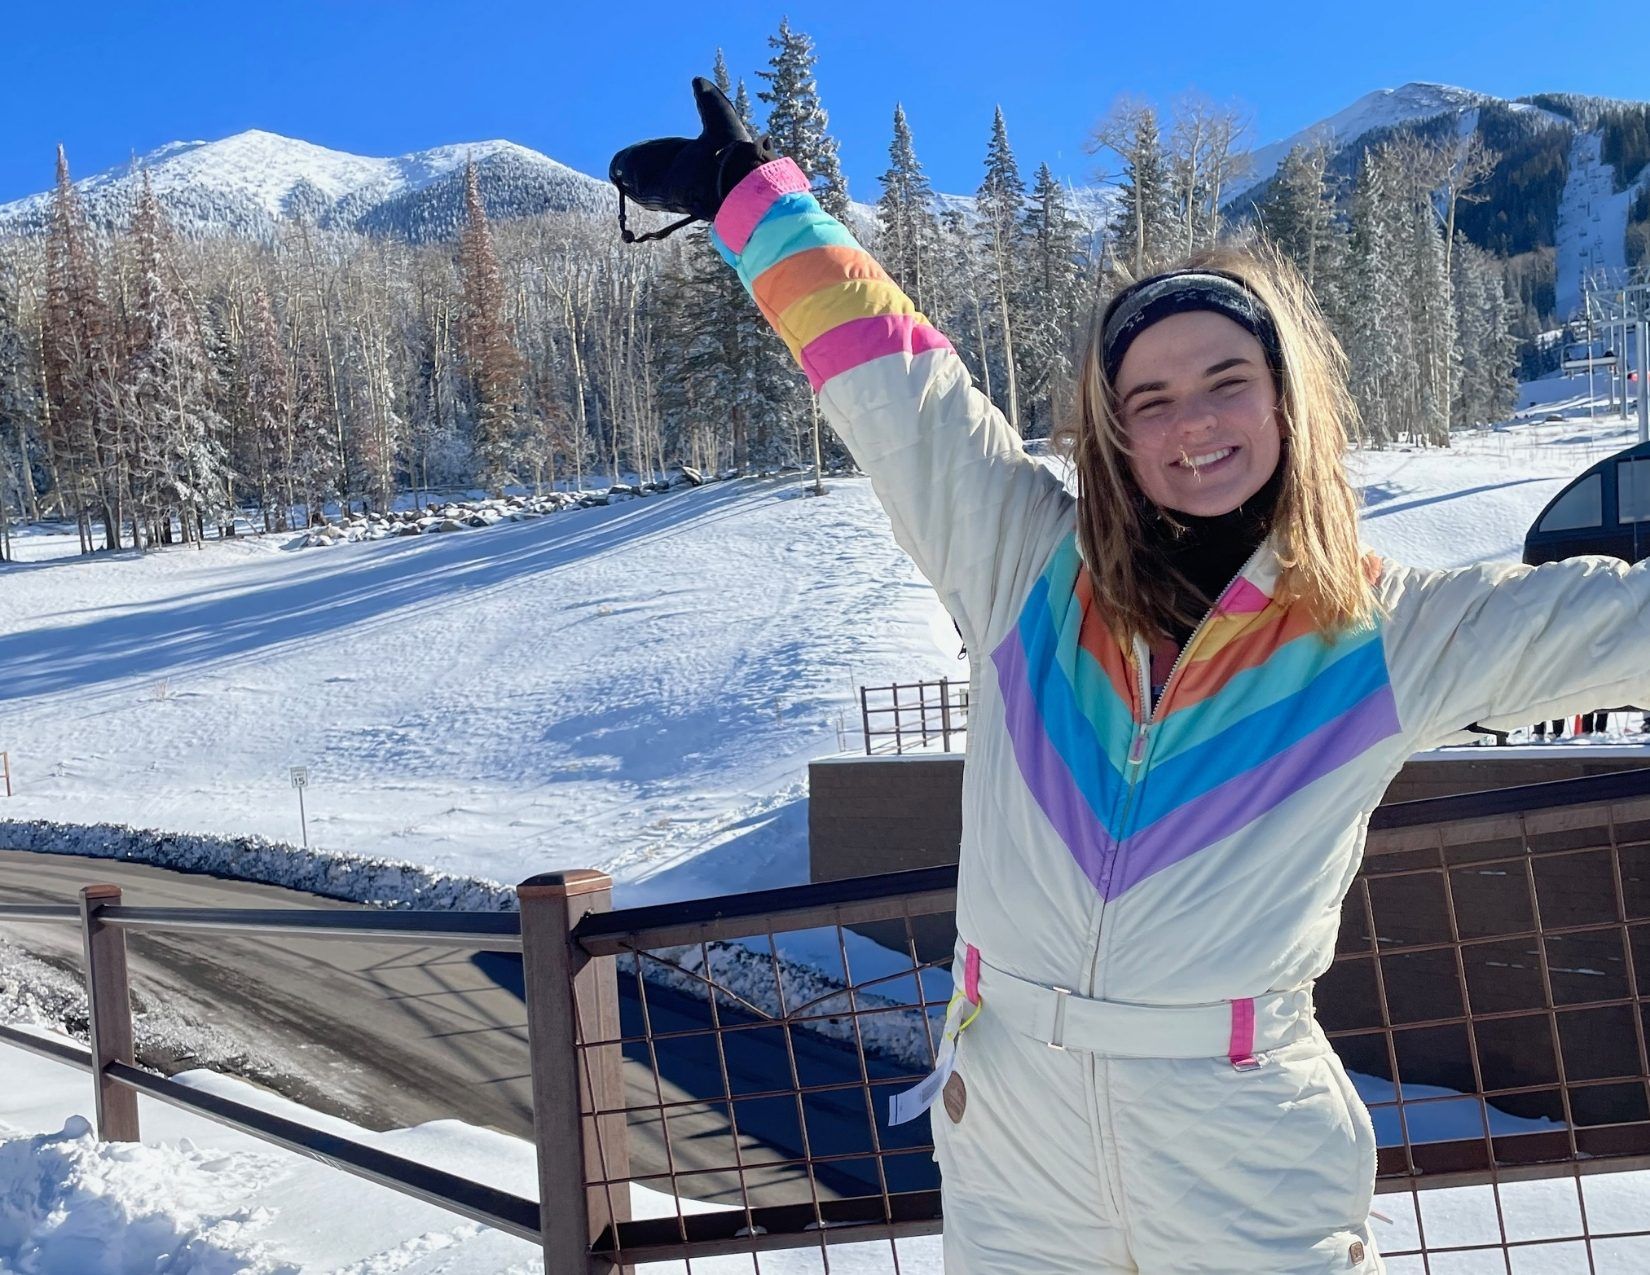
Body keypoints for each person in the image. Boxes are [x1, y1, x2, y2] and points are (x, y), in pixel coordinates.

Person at [612, 81, 1650, 1275]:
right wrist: (754, 202)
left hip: (1243, 1153)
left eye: (1225, 383)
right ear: (1113, 432)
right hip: (1016, 1146)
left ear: (1285, 399)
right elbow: (897, 384)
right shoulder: (1022, 572)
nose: (1191, 424)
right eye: (1148, 399)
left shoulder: (1376, 633)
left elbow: (1619, 624)